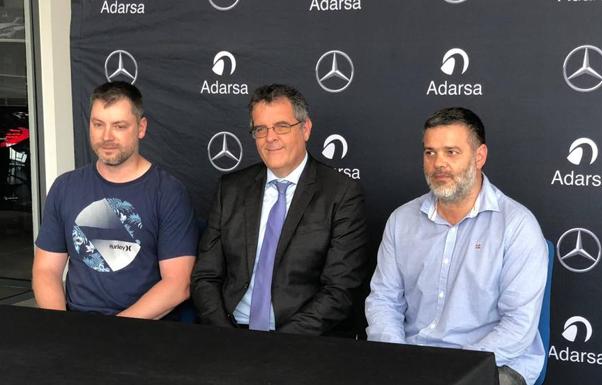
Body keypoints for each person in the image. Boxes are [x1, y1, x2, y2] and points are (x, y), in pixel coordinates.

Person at [365, 107, 548, 385]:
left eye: (451, 152)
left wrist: (453, 370)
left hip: (495, 364)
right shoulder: (401, 221)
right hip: (414, 358)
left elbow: (517, 326)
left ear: (479, 156)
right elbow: (383, 301)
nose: (439, 163)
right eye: (430, 152)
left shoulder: (517, 226)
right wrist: (397, 357)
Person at [191, 84, 367, 336]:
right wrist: (224, 335)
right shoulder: (230, 188)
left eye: (281, 127)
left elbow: (340, 289)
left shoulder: (341, 193)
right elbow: (205, 277)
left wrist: (278, 346)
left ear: (305, 129)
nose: (270, 137)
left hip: (300, 339)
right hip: (230, 332)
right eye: (260, 129)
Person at [33, 81, 198, 319]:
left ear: (141, 128)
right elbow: (46, 270)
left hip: (141, 330)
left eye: (119, 126)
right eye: (98, 124)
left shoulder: (169, 192)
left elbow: (177, 284)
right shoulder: (65, 187)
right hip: (75, 327)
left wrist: (111, 333)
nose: (106, 136)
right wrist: (61, 327)